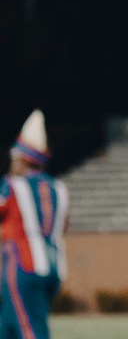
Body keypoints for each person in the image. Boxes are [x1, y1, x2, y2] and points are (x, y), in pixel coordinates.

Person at [0, 110, 69, 339]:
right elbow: (63, 226)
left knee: (30, 330)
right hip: (54, 266)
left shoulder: (12, 185)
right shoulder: (59, 188)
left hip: (22, 265)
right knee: (7, 327)